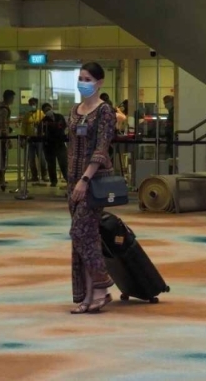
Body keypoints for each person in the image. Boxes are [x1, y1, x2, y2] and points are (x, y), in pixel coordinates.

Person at [67, 62, 116, 314]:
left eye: (87, 78)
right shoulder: (75, 111)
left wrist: (85, 179)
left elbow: (101, 148)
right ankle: (88, 295)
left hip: (93, 181)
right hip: (73, 180)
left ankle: (101, 286)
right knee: (85, 238)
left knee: (80, 231)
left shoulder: (105, 111)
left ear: (99, 82)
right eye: (80, 77)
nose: (82, 82)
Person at [41, 103, 68, 188]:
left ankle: (68, 179)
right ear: (44, 112)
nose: (48, 111)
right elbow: (42, 131)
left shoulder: (59, 116)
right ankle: (53, 181)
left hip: (60, 143)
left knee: (63, 163)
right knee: (51, 164)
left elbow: (63, 126)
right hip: (49, 145)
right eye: (46, 110)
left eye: (49, 109)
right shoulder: (43, 120)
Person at [22, 97, 48, 183]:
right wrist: (23, 138)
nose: (32, 105)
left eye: (33, 104)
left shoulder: (41, 114)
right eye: (30, 104)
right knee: (31, 158)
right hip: (30, 139)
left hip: (39, 139)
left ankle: (44, 174)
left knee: (42, 158)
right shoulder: (27, 115)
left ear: (36, 104)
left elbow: (45, 125)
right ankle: (34, 175)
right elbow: (24, 127)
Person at [0, 90, 16, 186]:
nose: (13, 100)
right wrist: (8, 138)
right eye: (12, 98)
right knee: (2, 157)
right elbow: (3, 124)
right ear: (8, 98)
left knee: (0, 157)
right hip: (1, 137)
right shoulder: (4, 109)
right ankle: (1, 178)